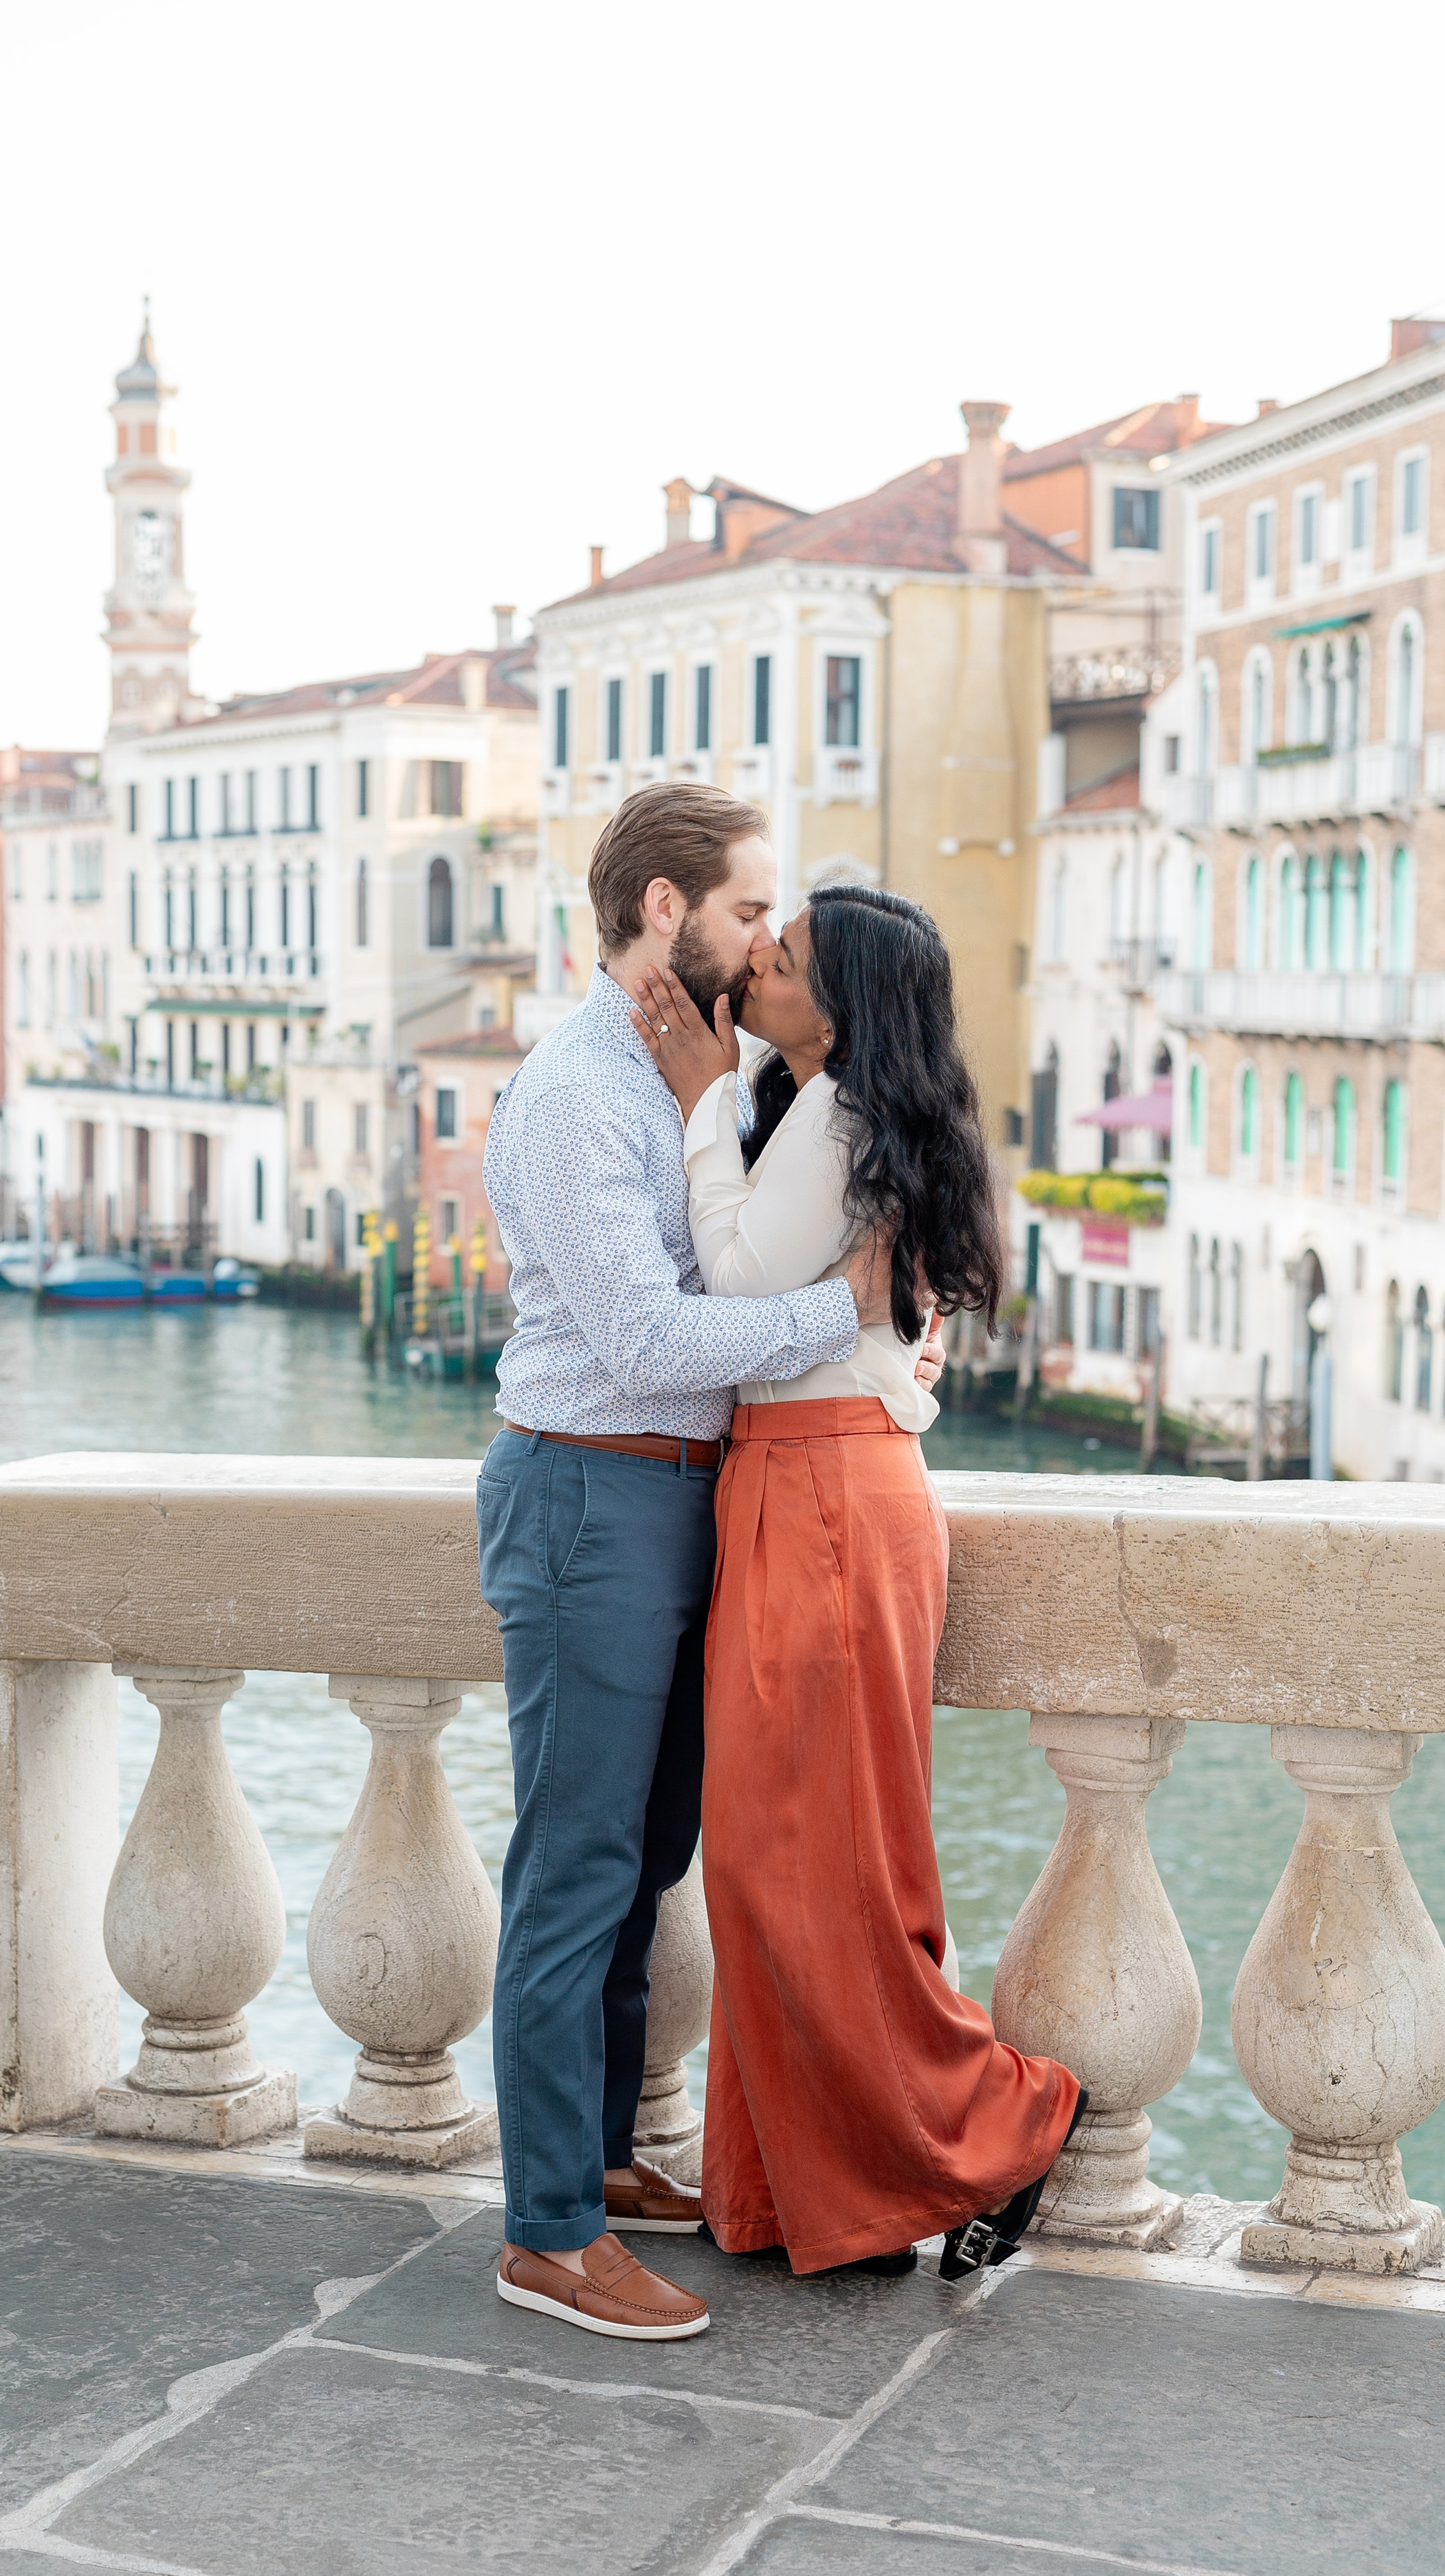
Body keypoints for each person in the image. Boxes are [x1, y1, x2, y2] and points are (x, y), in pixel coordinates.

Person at [476, 785, 944, 2342]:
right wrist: (850, 1318)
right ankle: (543, 2231)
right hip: (589, 1493)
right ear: (667, 914)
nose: (764, 946)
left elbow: (798, 1192)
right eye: (751, 912)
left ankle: (599, 2157)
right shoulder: (569, 1096)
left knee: (644, 1859)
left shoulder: (710, 1072)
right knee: (574, 1869)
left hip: (693, 1496)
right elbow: (647, 1336)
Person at [630, 885, 1083, 2282]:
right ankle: (815, 2185)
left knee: (806, 1867)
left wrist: (705, 1098)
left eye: (788, 954)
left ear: (845, 1007)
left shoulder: (826, 1116)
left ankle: (1004, 2125)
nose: (756, 959)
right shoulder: (839, 1116)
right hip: (816, 1487)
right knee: (785, 1867)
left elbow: (732, 1277)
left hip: (821, 1494)